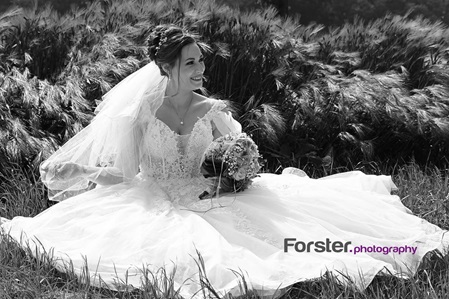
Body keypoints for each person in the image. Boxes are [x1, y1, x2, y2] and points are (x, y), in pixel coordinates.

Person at [1, 24, 448, 298]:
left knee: (284, 235)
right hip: (155, 197)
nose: (200, 70)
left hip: (210, 194)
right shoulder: (138, 113)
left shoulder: (211, 110)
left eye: (201, 62)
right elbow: (125, 174)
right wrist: (80, 172)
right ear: (166, 67)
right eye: (191, 63)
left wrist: (238, 170)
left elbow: (237, 153)